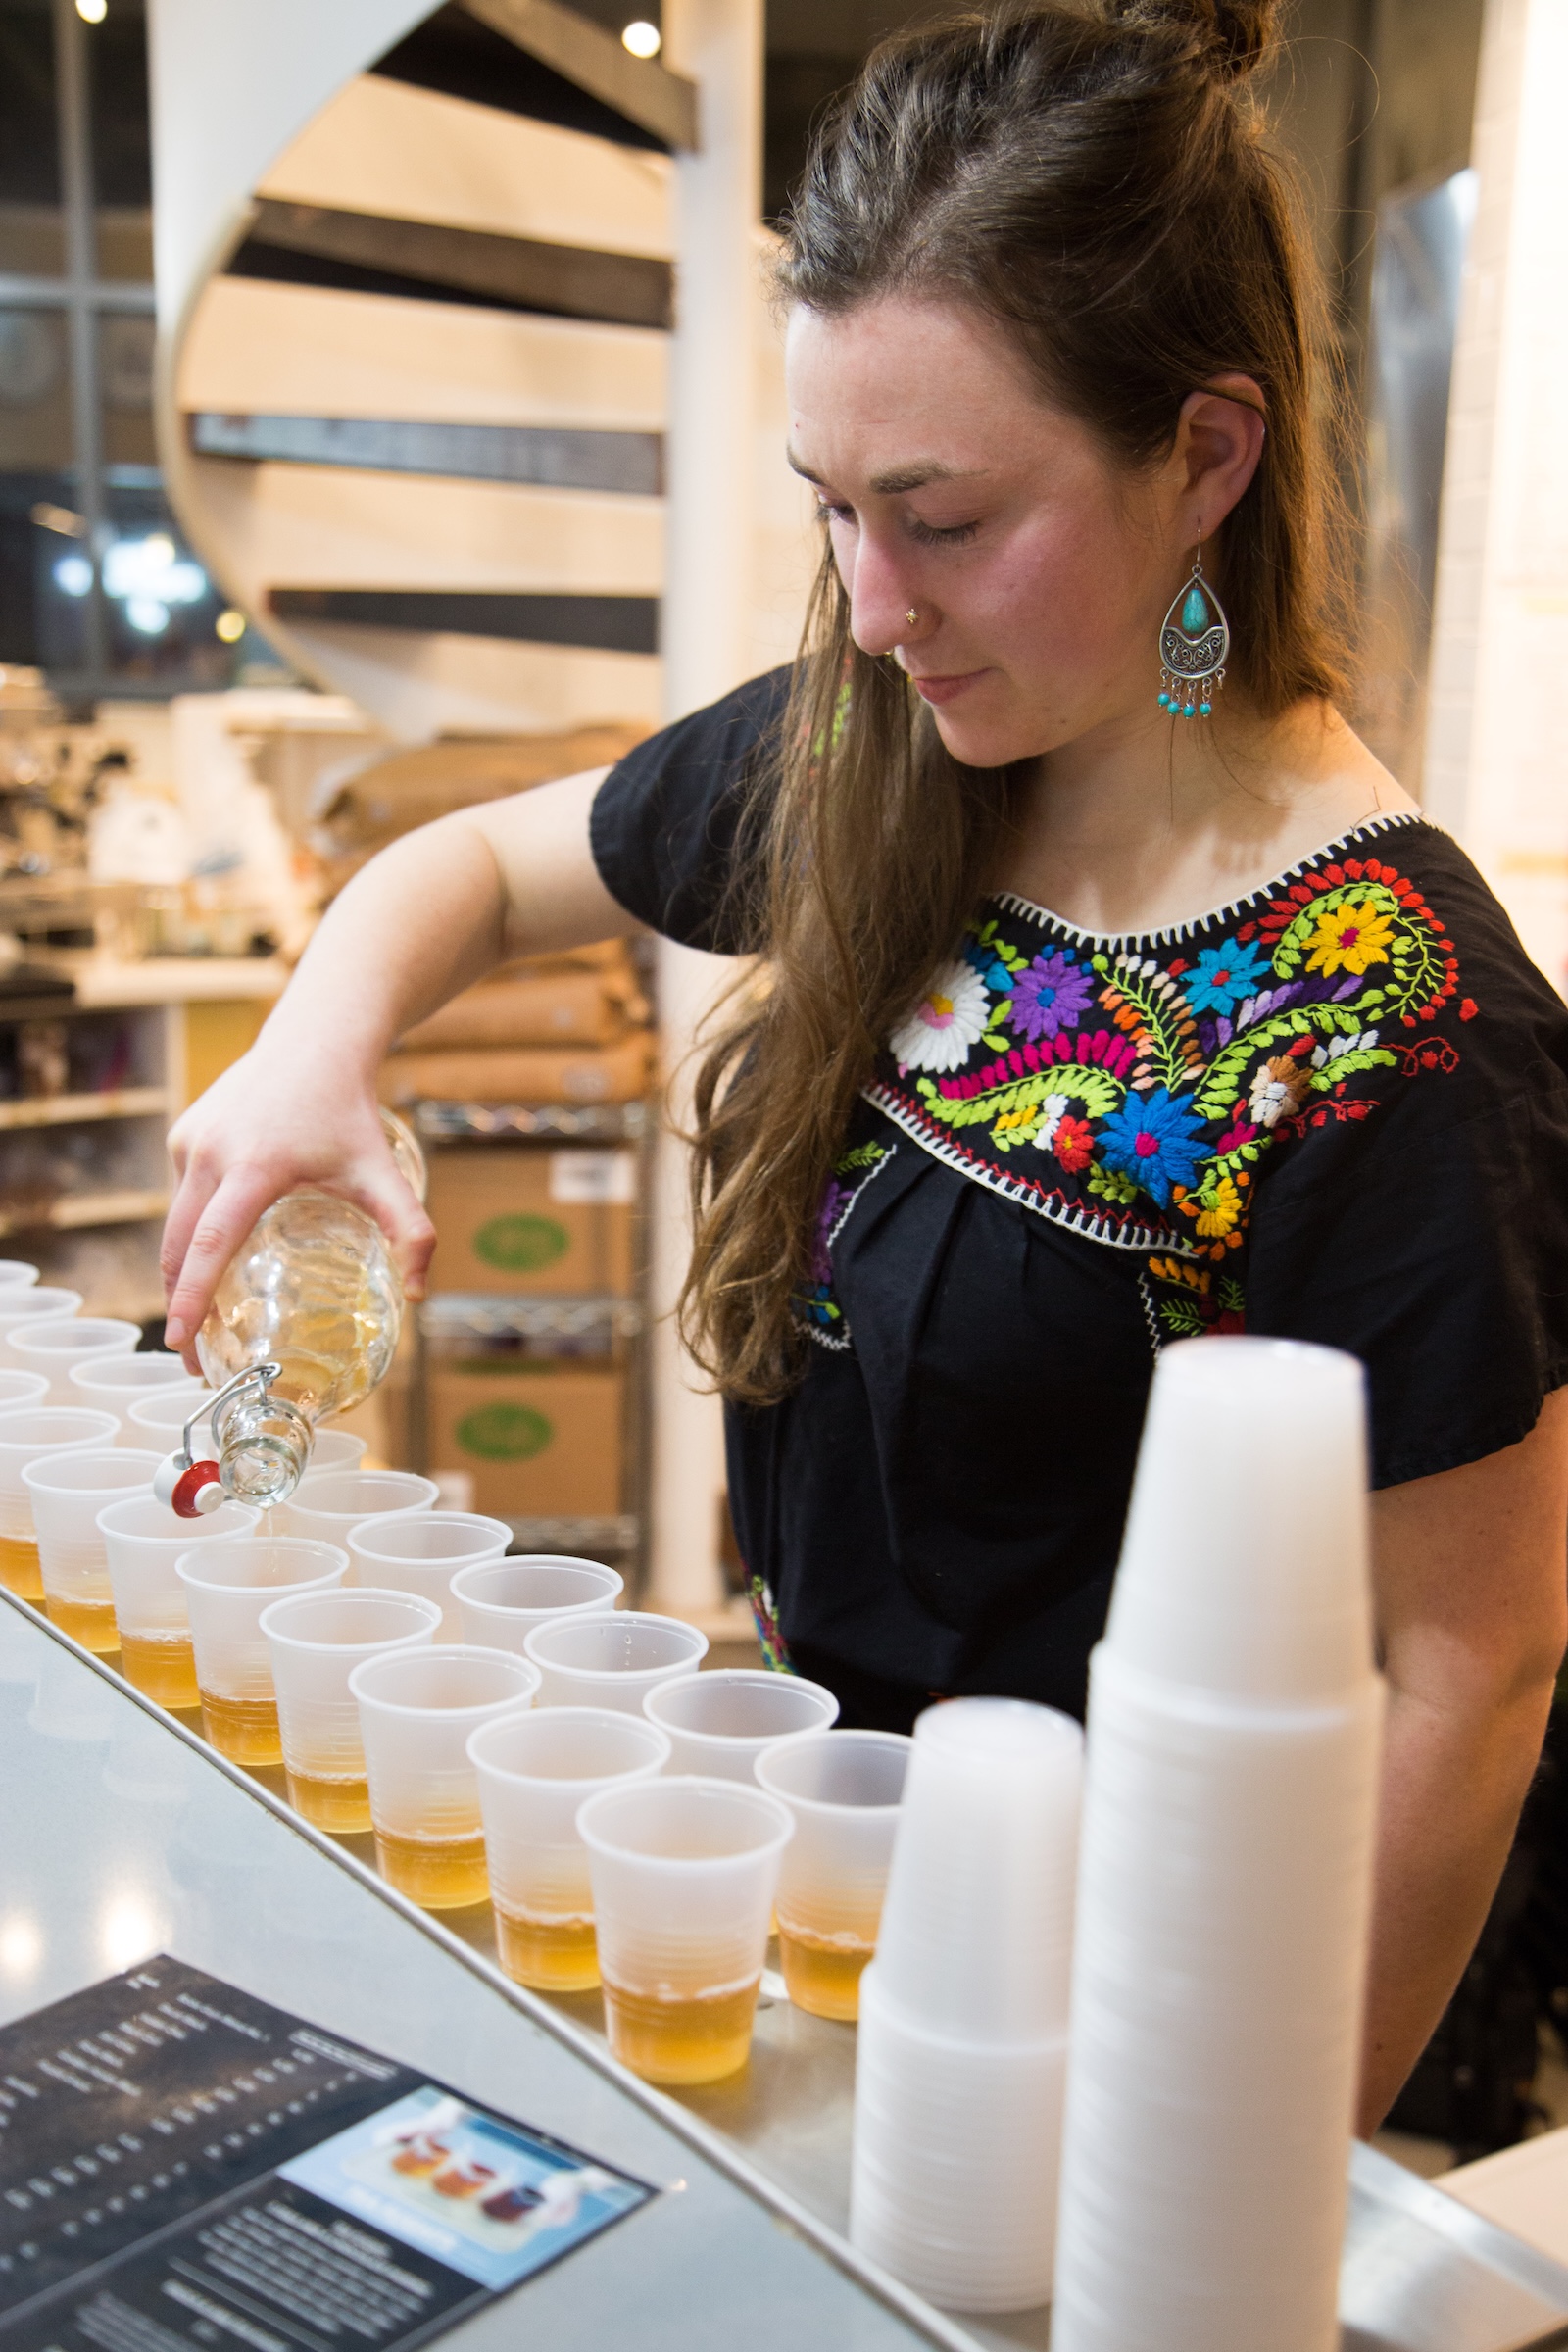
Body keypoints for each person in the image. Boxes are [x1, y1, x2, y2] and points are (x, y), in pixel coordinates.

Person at [160, 0, 1568, 2133]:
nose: (869, 600)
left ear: (1204, 454)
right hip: (841, 1912)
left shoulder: (1383, 1021)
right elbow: (461, 865)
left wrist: (1254, 2173)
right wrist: (311, 1050)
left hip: (1137, 2005)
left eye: (941, 514)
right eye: (828, 506)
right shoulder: (880, 744)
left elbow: (1461, 1676)